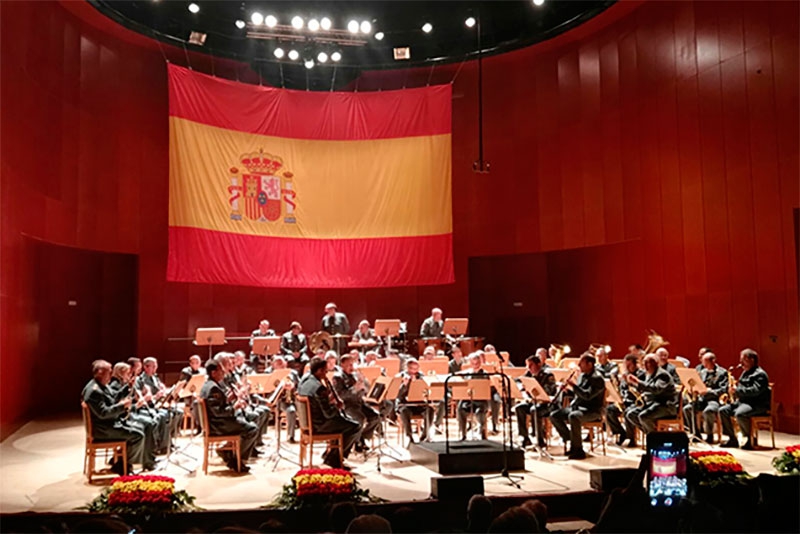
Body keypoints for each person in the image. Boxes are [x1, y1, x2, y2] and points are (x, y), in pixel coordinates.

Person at [82, 360, 155, 473]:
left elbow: (113, 397)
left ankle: (121, 462)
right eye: (109, 372)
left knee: (140, 427)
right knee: (138, 435)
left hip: (108, 424)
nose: (111, 375)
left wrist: (127, 387)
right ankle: (123, 465)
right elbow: (103, 413)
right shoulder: (94, 391)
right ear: (100, 373)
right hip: (103, 430)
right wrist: (122, 406)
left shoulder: (101, 385)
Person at [297, 357, 361, 468]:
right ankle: (334, 459)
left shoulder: (305, 381)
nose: (326, 373)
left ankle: (330, 455)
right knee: (354, 426)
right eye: (325, 370)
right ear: (319, 370)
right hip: (319, 425)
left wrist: (329, 400)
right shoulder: (319, 388)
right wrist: (336, 405)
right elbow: (328, 414)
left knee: (344, 423)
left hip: (308, 423)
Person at [200, 360, 257, 472]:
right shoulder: (213, 388)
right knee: (252, 429)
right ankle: (236, 460)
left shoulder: (209, 385)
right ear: (213, 373)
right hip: (218, 425)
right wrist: (234, 407)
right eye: (221, 371)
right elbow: (218, 412)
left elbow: (217, 405)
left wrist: (228, 399)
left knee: (247, 418)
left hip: (218, 422)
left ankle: (228, 452)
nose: (224, 373)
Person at [550, 353, 605, 459]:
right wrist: (568, 390)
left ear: (590, 364)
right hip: (579, 408)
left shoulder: (597, 378)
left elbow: (587, 396)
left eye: (581, 363)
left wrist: (573, 386)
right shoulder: (582, 376)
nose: (579, 365)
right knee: (554, 415)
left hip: (592, 411)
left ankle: (578, 450)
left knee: (574, 416)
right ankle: (571, 439)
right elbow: (578, 394)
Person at [720, 348, 770, 450]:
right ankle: (732, 438)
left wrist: (737, 391)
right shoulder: (745, 372)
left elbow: (755, 391)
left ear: (752, 360)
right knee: (723, 410)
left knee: (740, 413)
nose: (741, 363)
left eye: (744, 360)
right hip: (743, 402)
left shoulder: (760, 374)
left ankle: (748, 438)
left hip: (756, 404)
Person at [332, 354, 380, 452]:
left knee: (375, 417)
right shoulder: (338, 377)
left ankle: (361, 438)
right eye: (349, 365)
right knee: (360, 419)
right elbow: (340, 395)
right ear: (342, 365)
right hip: (347, 405)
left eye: (352, 364)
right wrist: (354, 389)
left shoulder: (355, 375)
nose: (352, 367)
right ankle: (358, 442)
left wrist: (364, 383)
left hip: (359, 403)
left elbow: (367, 391)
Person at [624, 354, 677, 438]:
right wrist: (634, 384)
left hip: (665, 406)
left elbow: (656, 389)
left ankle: (655, 438)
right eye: (644, 363)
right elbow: (647, 389)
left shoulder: (662, 375)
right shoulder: (649, 373)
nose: (645, 366)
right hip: (653, 404)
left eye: (648, 363)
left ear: (656, 363)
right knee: (631, 414)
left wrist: (638, 382)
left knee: (644, 416)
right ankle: (652, 434)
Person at [134, 357, 177, 453]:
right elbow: (144, 398)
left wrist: (164, 390)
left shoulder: (155, 377)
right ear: (145, 367)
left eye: (156, 366)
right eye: (153, 366)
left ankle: (169, 441)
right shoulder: (141, 379)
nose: (155, 369)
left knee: (177, 412)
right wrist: (156, 396)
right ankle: (161, 445)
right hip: (150, 405)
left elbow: (159, 390)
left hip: (158, 403)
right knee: (164, 415)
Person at [683, 352, 728, 443]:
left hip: (714, 399)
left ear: (713, 361)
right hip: (702, 399)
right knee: (687, 409)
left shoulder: (722, 372)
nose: (704, 364)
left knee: (708, 411)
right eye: (703, 362)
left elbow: (723, 389)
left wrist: (709, 391)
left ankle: (709, 435)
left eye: (706, 362)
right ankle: (695, 433)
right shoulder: (703, 372)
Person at [515, 354, 556, 448]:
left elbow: (549, 392)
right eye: (527, 365)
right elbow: (518, 380)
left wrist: (533, 390)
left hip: (546, 405)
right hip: (533, 402)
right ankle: (525, 437)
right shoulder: (529, 374)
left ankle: (540, 439)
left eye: (531, 365)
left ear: (539, 364)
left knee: (534, 410)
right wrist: (522, 387)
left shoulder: (548, 375)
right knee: (519, 408)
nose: (529, 368)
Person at [607, 353, 646, 446]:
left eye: (629, 365)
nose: (627, 368)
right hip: (625, 401)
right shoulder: (625, 374)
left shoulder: (641, 374)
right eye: (626, 365)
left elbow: (641, 389)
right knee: (609, 410)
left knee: (628, 412)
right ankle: (621, 432)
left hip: (636, 402)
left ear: (635, 364)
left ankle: (631, 438)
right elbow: (622, 389)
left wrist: (630, 382)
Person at [396, 358, 433, 445]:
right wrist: (404, 385)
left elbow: (426, 390)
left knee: (430, 410)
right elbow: (398, 395)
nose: (414, 371)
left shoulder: (421, 376)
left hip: (419, 404)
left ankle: (424, 435)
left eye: (416, 369)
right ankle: (409, 436)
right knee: (404, 412)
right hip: (406, 405)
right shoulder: (400, 376)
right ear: (407, 368)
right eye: (412, 369)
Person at [457, 353, 494, 440]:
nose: (475, 365)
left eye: (477, 363)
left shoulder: (485, 374)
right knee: (460, 409)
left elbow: (488, 389)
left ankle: (480, 433)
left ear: (480, 363)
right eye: (473, 363)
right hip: (468, 400)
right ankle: (463, 434)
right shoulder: (467, 373)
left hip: (481, 401)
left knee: (480, 411)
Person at [269, 356, 299, 443]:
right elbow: (268, 391)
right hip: (279, 400)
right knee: (291, 411)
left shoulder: (293, 373)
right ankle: (290, 436)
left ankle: (307, 433)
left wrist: (293, 386)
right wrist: (279, 388)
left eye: (282, 363)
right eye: (278, 363)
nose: (281, 365)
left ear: (286, 363)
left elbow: (301, 386)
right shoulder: (271, 374)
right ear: (273, 365)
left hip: (293, 399)